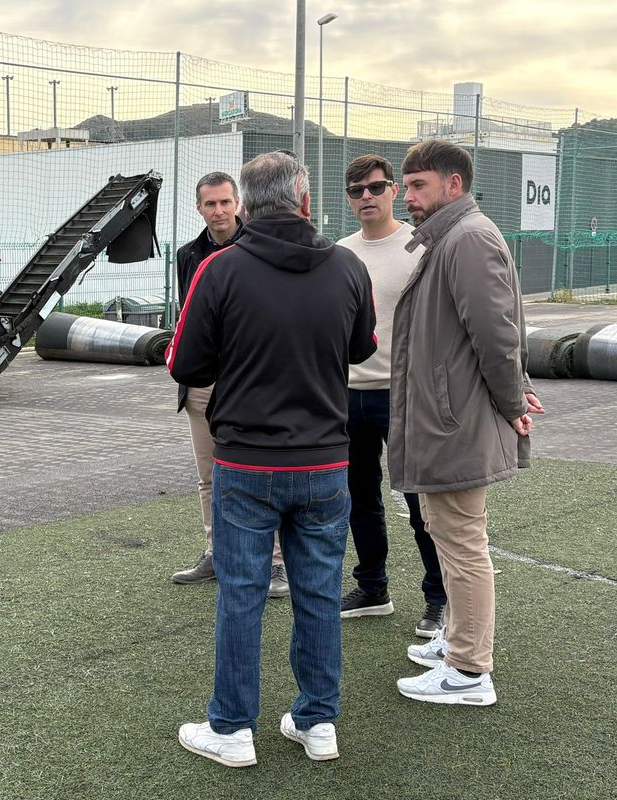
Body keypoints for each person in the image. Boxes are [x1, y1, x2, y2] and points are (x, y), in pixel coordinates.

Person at [169, 151, 376, 767]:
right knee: (317, 593)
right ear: (304, 197)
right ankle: (318, 724)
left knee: (241, 594)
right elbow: (361, 347)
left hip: (247, 463)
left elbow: (185, 363)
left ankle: (232, 730)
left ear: (247, 204)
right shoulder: (347, 267)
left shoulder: (218, 270)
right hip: (323, 462)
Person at [389, 140, 542, 706]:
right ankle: (458, 641)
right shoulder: (448, 237)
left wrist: (513, 404)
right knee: (446, 532)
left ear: (453, 185)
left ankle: (469, 670)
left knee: (461, 541)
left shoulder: (469, 238)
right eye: (407, 186)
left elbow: (499, 338)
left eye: (418, 186)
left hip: (457, 422)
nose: (408, 198)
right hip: (444, 419)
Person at [335, 154, 447, 637]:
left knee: (421, 502)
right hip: (346, 394)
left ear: (394, 192)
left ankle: (439, 599)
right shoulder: (338, 253)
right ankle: (373, 587)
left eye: (376, 188)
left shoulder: (420, 247)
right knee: (359, 499)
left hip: (402, 396)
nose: (367, 197)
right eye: (357, 190)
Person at [171, 171, 288, 599]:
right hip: (204, 384)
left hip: (253, 381)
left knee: (262, 474)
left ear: (239, 203)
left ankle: (275, 564)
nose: (218, 211)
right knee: (209, 476)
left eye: (225, 202)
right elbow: (187, 320)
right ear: (199, 208)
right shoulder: (188, 255)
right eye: (210, 204)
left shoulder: (260, 247)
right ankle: (216, 552)